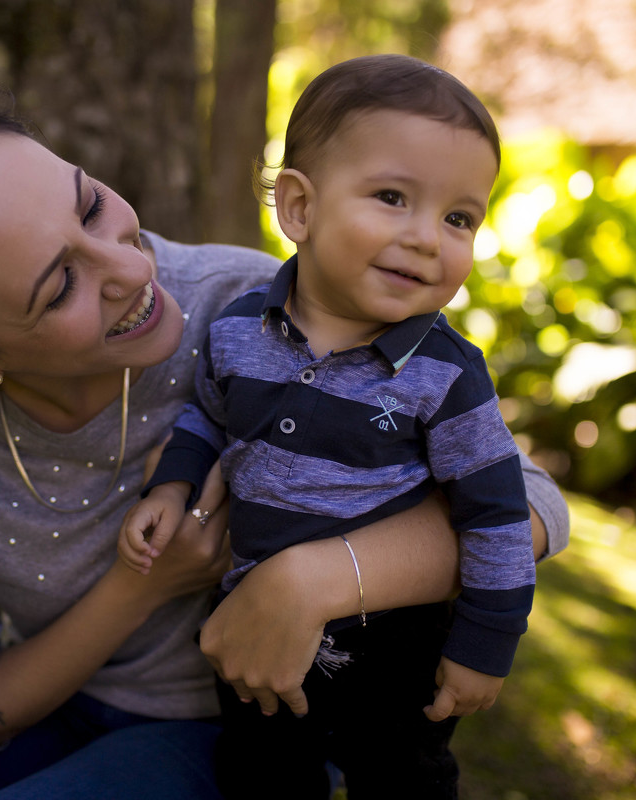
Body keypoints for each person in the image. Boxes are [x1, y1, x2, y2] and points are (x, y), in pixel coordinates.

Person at [0, 79, 569, 800]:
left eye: (91, 206)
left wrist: (310, 581)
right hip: (61, 711)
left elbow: (532, 501)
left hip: (242, 726)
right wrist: (144, 584)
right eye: (61, 284)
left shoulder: (253, 310)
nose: (128, 268)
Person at [118, 54, 531, 798]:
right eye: (393, 197)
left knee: (403, 779)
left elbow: (497, 512)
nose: (428, 238)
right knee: (262, 774)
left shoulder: (444, 374)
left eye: (459, 218)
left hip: (395, 637)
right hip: (254, 620)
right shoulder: (239, 330)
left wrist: (486, 643)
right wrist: (172, 486)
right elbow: (207, 417)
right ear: (299, 208)